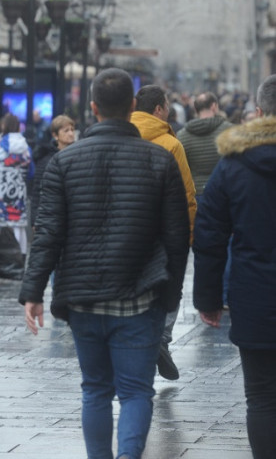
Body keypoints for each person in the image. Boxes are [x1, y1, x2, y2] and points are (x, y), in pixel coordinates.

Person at [20, 68, 190, 459]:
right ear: (132, 107)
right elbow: (177, 237)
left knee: (95, 388)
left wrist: (32, 292)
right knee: (136, 391)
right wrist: (171, 292)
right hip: (141, 294)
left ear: (92, 108)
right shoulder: (160, 158)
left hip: (83, 295)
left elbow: (48, 234)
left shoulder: (65, 162)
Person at [193, 74, 276, 459]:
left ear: (259, 113)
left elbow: (209, 236)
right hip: (254, 296)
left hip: (255, 297)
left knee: (261, 397)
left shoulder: (233, 165)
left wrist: (208, 299)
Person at [131, 84, 196, 381]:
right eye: (167, 105)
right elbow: (186, 196)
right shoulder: (171, 145)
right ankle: (161, 339)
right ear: (158, 109)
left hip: (127, 231)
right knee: (170, 291)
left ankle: (139, 337)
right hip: (164, 233)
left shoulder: (121, 137)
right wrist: (189, 236)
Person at [0, 114, 33, 254]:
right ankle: (20, 255)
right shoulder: (25, 147)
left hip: (0, 190)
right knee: (18, 222)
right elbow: (31, 171)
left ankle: (4, 257)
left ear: (3, 126)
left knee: (1, 221)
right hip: (18, 190)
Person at [177, 91, 233, 197]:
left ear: (196, 109)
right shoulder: (229, 130)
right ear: (214, 106)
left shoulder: (182, 135)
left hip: (195, 192)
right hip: (223, 190)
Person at [30, 115, 76, 227]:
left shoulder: (78, 155)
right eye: (66, 131)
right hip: (53, 215)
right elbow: (37, 191)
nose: (70, 134)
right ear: (55, 135)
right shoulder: (47, 160)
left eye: (72, 130)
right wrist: (35, 220)